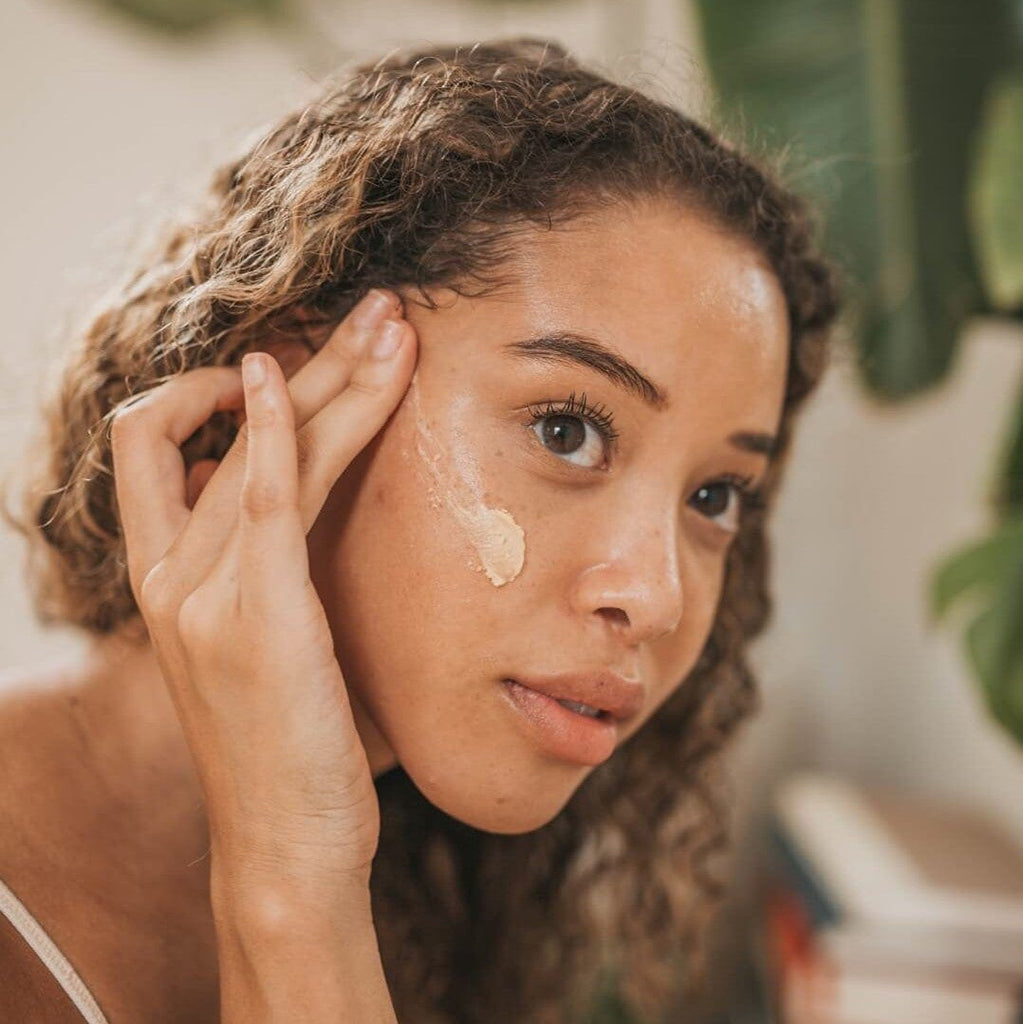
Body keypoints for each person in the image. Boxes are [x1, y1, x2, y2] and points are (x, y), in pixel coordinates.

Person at [0, 36, 840, 1024]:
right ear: (296, 393)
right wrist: (290, 865)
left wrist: (297, 858)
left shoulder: (442, 907)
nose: (655, 595)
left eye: (714, 497)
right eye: (566, 429)